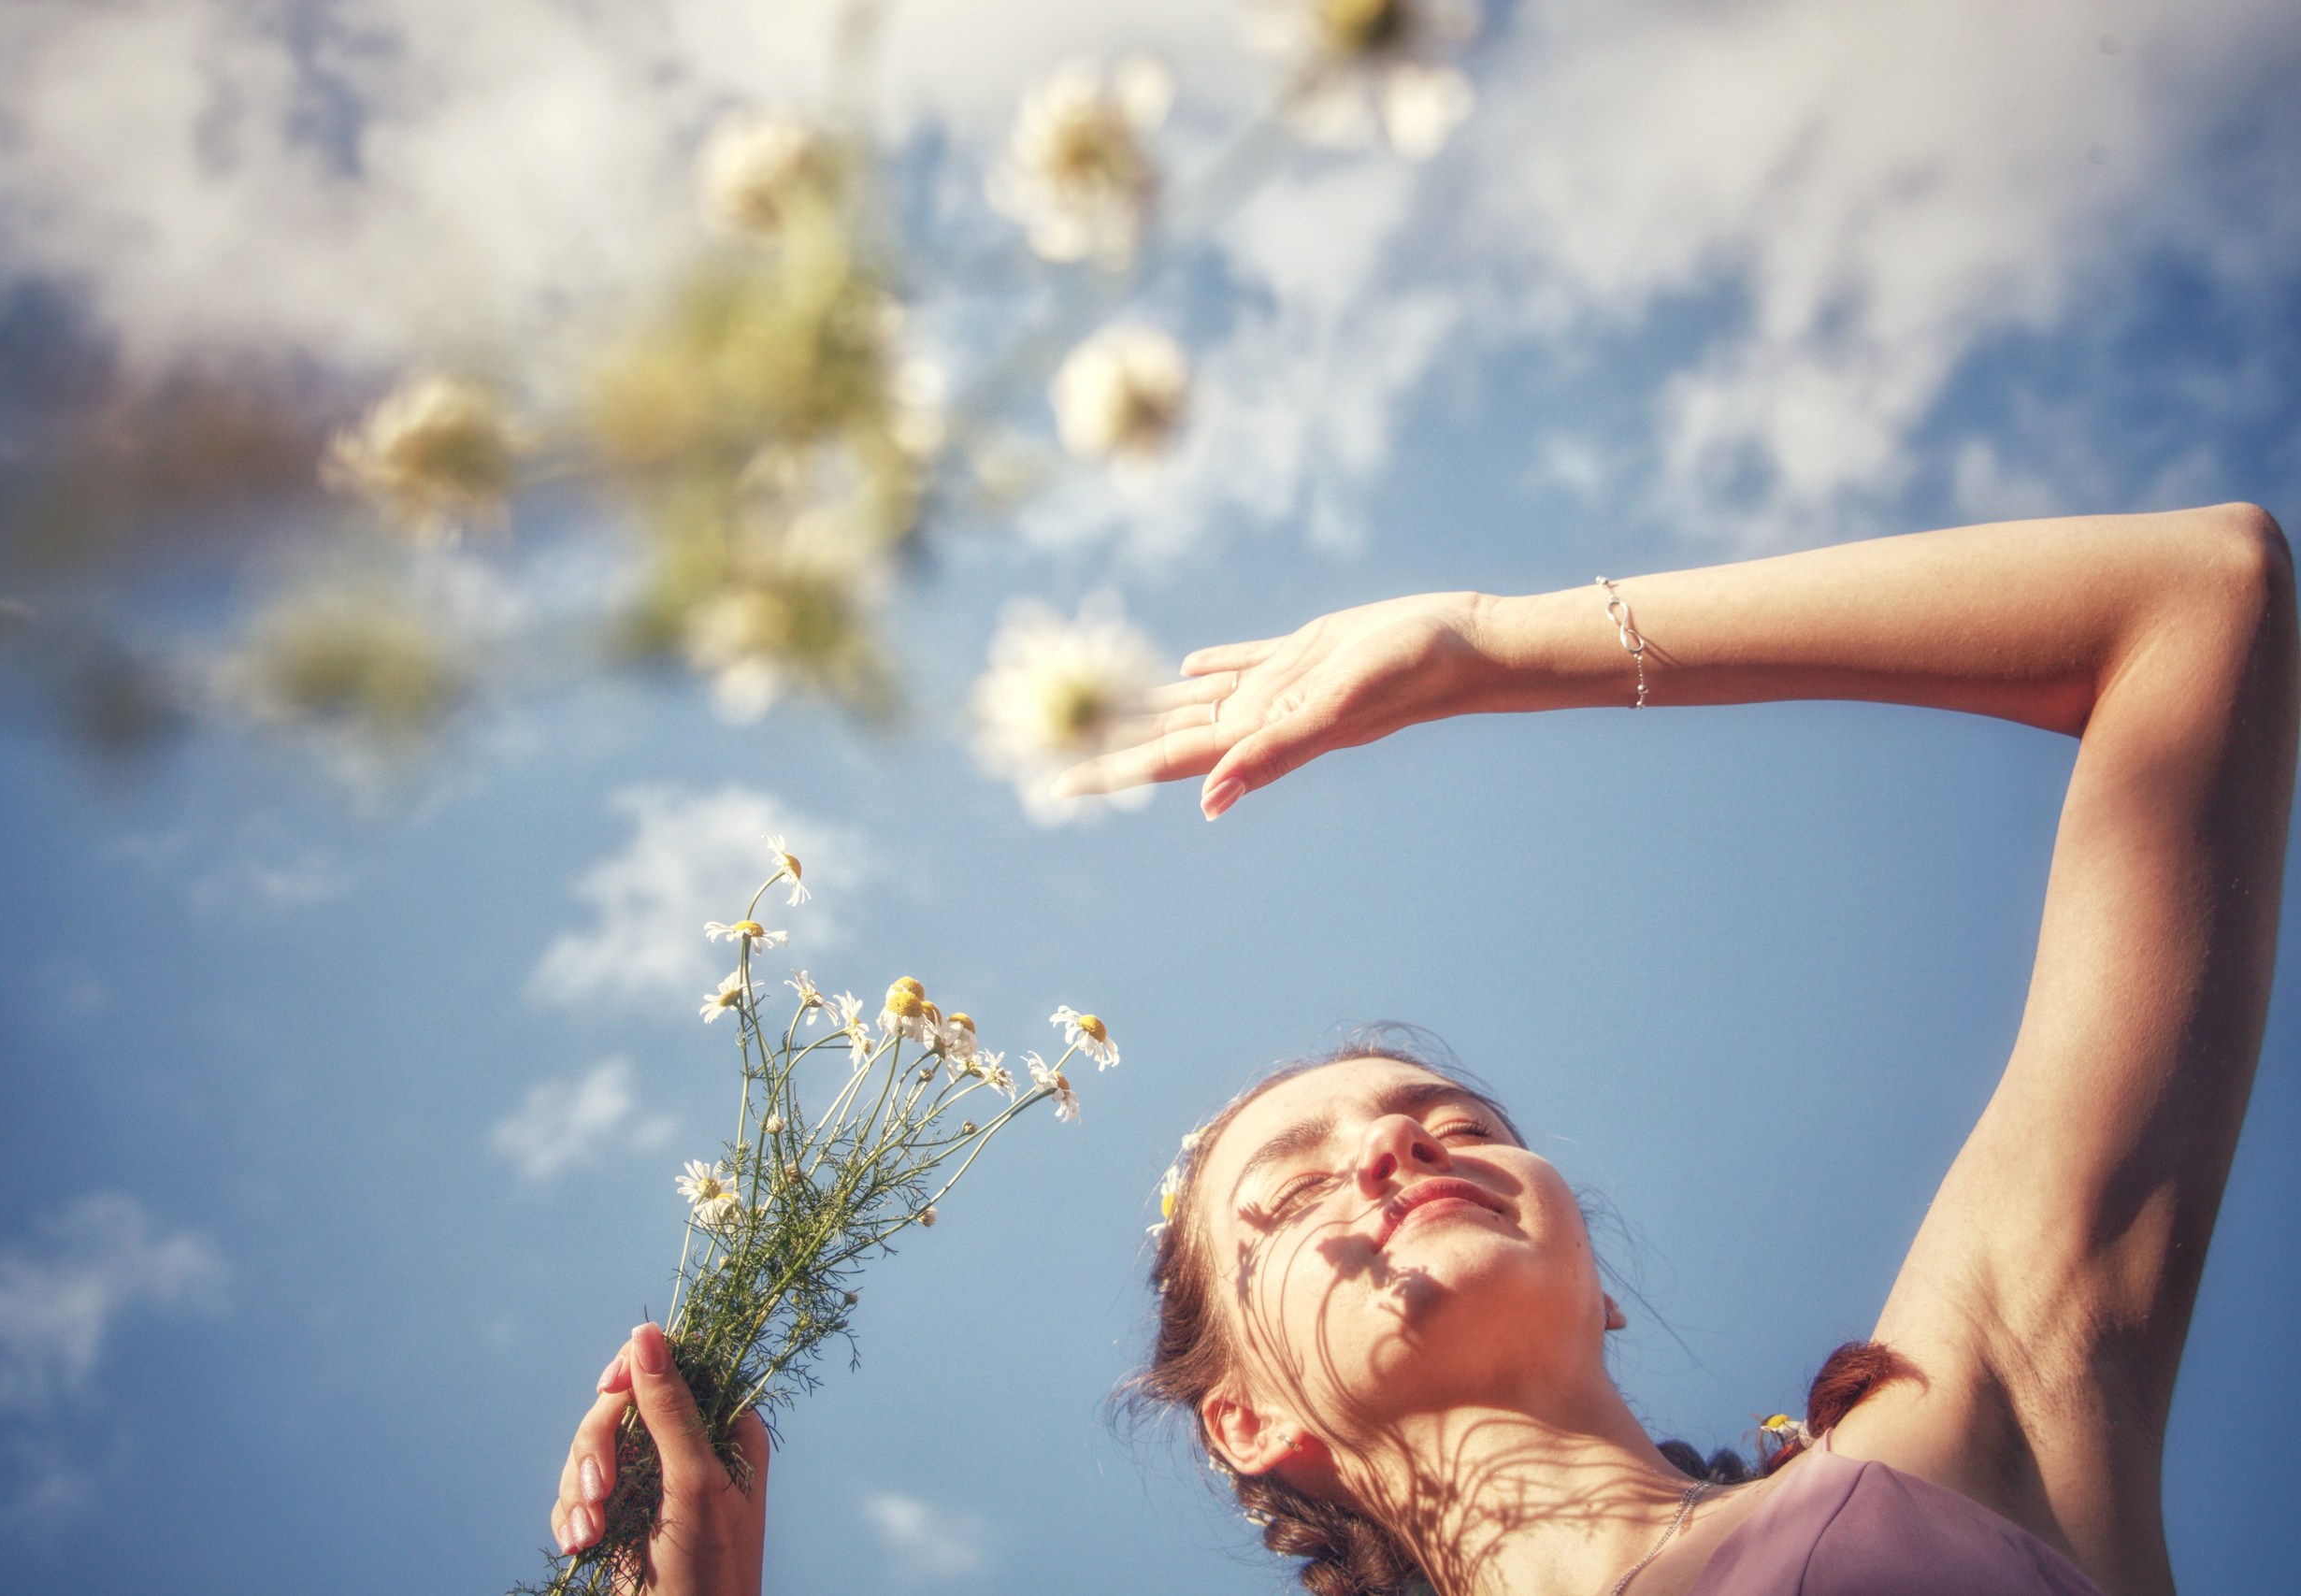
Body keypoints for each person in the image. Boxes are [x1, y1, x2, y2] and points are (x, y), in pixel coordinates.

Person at [548, 507, 2295, 1596]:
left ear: (1596, 1277)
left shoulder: (1967, 1427)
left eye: (1449, 1116)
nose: (1392, 1152)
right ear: (1248, 1422)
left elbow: (2199, 598)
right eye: (1291, 1195)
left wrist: (1488, 647)